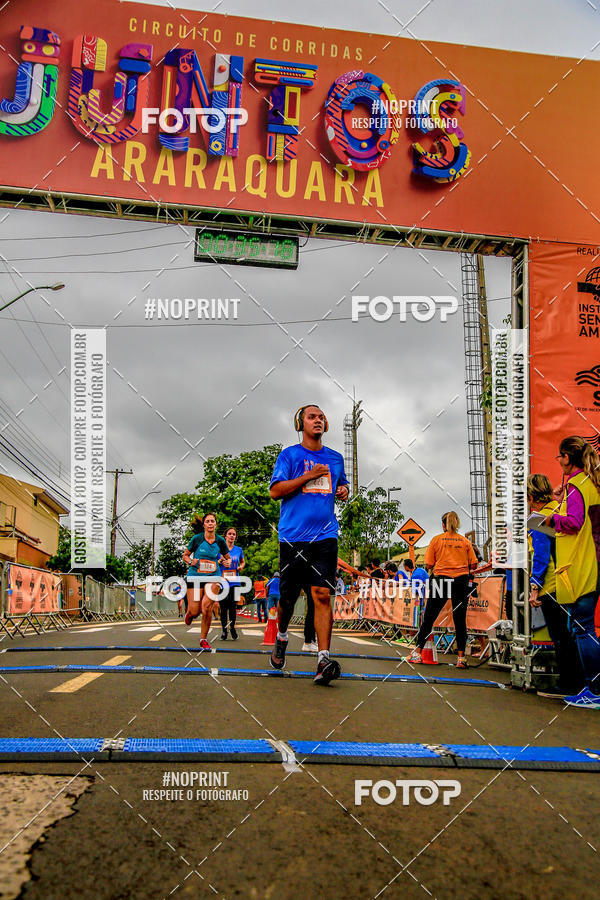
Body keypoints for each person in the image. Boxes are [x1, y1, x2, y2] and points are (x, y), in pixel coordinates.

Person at [269, 404, 349, 684]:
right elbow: (275, 491)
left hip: (325, 536)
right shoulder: (289, 455)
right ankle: (281, 636)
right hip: (293, 537)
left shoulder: (336, 458)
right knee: (288, 599)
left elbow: (343, 485)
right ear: (300, 424)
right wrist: (307, 476)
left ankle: (323, 659)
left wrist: (343, 490)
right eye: (312, 416)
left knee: (322, 595)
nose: (318, 419)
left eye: (321, 417)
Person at [543, 436, 600, 708]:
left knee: (581, 628)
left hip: (581, 566)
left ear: (567, 457)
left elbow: (575, 522)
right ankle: (592, 686)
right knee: (579, 627)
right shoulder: (589, 483)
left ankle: (596, 689)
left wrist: (551, 518)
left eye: (559, 457)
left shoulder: (577, 485)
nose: (558, 461)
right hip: (590, 563)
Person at [527, 473, 584, 699]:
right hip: (573, 580)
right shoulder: (560, 511)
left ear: (531, 495)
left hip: (552, 584)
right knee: (572, 634)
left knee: (560, 636)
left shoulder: (539, 518)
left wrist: (534, 587)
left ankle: (569, 684)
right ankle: (579, 682)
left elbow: (540, 557)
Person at [408, 511, 478, 668]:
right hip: (460, 580)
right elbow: (473, 564)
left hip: (441, 579)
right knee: (460, 619)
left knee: (430, 617)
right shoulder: (465, 541)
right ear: (457, 523)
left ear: (443, 524)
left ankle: (418, 652)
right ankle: (461, 658)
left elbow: (429, 564)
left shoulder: (436, 540)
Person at [182, 513, 231, 650]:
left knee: (206, 606)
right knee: (195, 610)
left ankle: (203, 639)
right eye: (208, 521)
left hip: (214, 576)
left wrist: (227, 562)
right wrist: (191, 561)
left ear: (215, 524)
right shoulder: (196, 539)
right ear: (204, 524)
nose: (210, 523)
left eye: (213, 521)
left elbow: (228, 558)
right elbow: (185, 556)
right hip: (195, 576)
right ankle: (190, 613)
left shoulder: (220, 541)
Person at [219, 526, 245, 641]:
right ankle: (224, 630)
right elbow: (214, 562)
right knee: (223, 608)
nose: (232, 536)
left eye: (234, 534)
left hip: (235, 581)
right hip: (222, 582)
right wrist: (219, 561)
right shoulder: (219, 549)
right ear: (225, 536)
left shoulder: (238, 550)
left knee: (233, 607)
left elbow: (243, 561)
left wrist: (240, 567)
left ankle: (232, 627)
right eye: (230, 534)